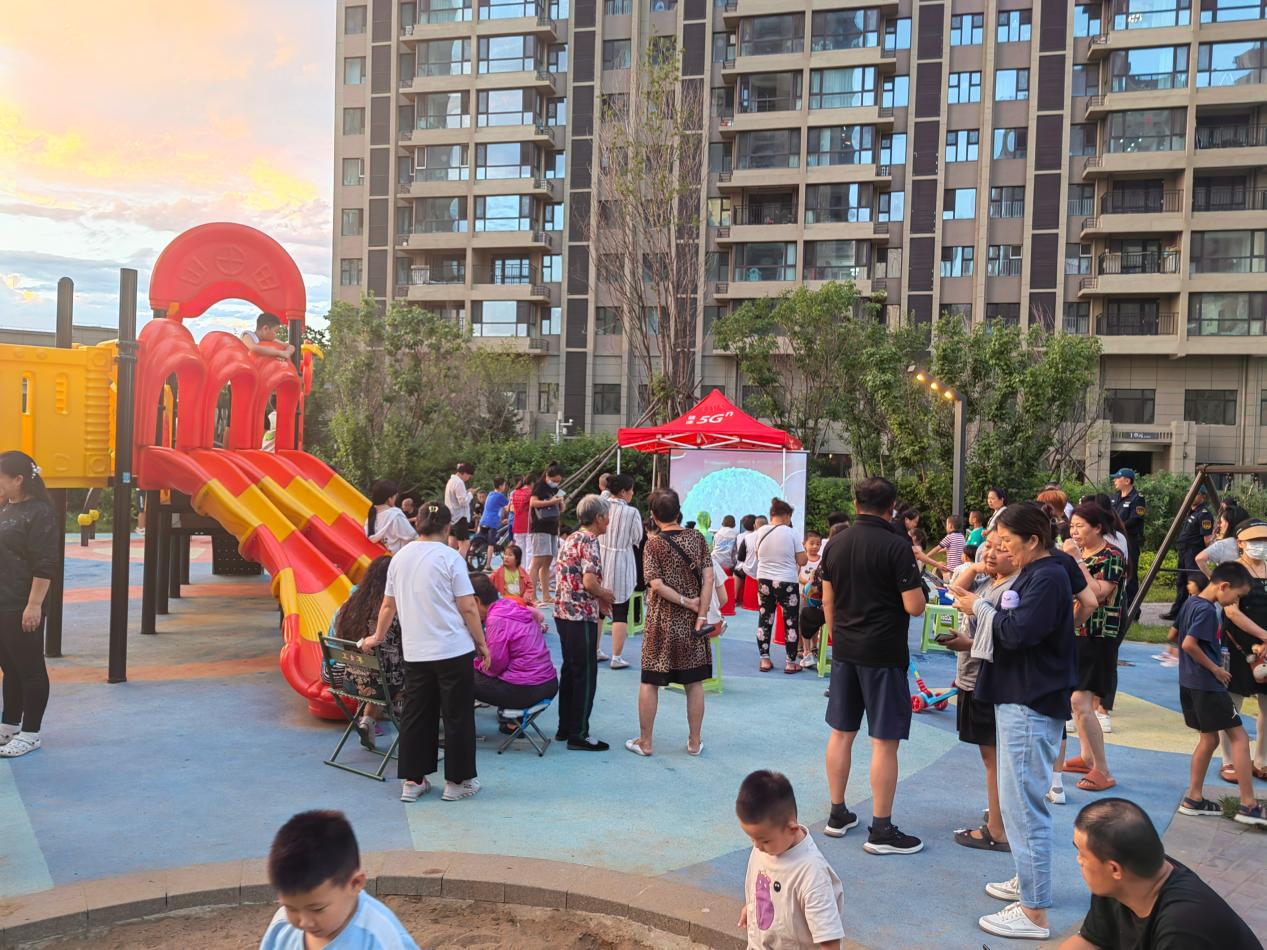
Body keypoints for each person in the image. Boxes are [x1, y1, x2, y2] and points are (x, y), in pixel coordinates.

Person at [950, 503, 1085, 941]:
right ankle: (1029, 883)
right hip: (1020, 697)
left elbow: (1017, 633)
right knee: (1018, 803)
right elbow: (1015, 630)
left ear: (1033, 540)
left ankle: (1034, 911)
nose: (1001, 549)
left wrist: (978, 606)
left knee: (1024, 806)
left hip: (1030, 701)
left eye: (1007, 542)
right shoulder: (1037, 574)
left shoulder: (1047, 577)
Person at [820, 477, 926, 854]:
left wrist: (839, 638)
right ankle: (881, 829)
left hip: (845, 650)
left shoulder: (835, 543)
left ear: (856, 503)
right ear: (891, 506)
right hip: (883, 653)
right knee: (884, 741)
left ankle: (837, 814)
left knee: (841, 732)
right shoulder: (897, 547)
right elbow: (915, 606)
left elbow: (828, 600)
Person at [363, 501, 490, 803]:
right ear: (447, 528)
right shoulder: (451, 557)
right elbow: (468, 606)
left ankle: (413, 780)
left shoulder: (399, 558)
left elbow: (388, 605)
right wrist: (482, 643)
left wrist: (377, 637)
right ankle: (457, 782)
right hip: (452, 649)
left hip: (416, 651)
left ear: (418, 524)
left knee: (416, 715)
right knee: (457, 716)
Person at [1061, 798, 1264, 950]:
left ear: (1114, 869)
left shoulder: (1182, 927)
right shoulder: (1125, 878)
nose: (1079, 860)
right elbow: (1089, 941)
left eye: (1082, 853)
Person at [1171, 562, 1267, 825]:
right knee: (1240, 738)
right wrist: (1215, 669)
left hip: (1190, 683)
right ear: (1224, 586)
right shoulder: (1206, 610)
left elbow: (1177, 635)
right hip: (1207, 685)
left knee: (1209, 739)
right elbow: (1189, 644)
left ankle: (1194, 798)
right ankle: (1248, 805)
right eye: (1235, 596)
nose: (1234, 602)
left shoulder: (1191, 603)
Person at [943, 530, 1018, 853]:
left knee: (993, 758)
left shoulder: (1011, 588)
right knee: (992, 757)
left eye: (1001, 549)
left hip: (984, 679)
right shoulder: (988, 581)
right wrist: (976, 566)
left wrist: (967, 645)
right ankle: (1000, 812)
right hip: (971, 676)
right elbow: (955, 588)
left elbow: (1005, 638)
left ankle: (997, 830)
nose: (990, 554)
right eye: (988, 547)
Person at [626, 488, 714, 758]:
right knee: (694, 682)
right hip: (692, 623)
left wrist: (686, 602)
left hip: (660, 622)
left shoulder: (653, 544)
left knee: (650, 681)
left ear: (653, 515)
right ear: (679, 511)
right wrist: (700, 612)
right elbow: (709, 578)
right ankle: (694, 742)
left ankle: (646, 742)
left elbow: (656, 584)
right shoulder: (697, 538)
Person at [260, 809, 418, 950]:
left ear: (355, 884)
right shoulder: (281, 928)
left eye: (317, 909)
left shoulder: (382, 939)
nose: (304, 922)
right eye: (291, 908)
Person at [735, 770, 845, 950]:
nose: (756, 846)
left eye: (764, 840)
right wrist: (753, 908)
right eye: (751, 838)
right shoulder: (767, 845)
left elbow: (829, 941)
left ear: (792, 829)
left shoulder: (812, 874)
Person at [1058, 503, 1126, 794]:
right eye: (1072, 526)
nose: (1074, 532)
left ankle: (1103, 769)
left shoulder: (1112, 556)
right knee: (1076, 701)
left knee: (1081, 702)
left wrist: (1076, 561)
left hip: (1098, 633)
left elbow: (1098, 593)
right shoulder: (1079, 554)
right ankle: (1087, 757)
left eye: (1080, 526)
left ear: (1098, 527)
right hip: (1076, 629)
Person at [0, 451, 58, 758]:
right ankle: (9, 725)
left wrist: (34, 604)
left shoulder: (40, 513)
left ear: (19, 479)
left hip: (22, 601)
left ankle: (31, 733)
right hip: (2, 599)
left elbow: (45, 563)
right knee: (10, 667)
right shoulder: (6, 507)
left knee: (30, 668)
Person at [553, 494, 614, 750]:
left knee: (570, 669)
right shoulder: (589, 541)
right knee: (586, 674)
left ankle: (565, 727)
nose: (608, 521)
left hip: (562, 612)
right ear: (598, 517)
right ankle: (579, 733)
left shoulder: (571, 538)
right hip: (580, 614)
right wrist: (605, 594)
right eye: (606, 516)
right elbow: (589, 582)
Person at [1211, 519, 1267, 783]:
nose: (1261, 545)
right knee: (1232, 703)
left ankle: (1262, 759)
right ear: (1240, 543)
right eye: (1254, 540)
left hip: (1265, 647)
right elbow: (1231, 612)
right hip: (1236, 645)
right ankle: (1229, 760)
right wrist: (1264, 635)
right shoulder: (1232, 571)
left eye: (1264, 540)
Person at [467, 573, 558, 734]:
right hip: (548, 684)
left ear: (476, 601)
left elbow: (494, 665)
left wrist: (476, 664)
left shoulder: (496, 619)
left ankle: (458, 730)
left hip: (526, 689)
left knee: (458, 676)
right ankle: (510, 722)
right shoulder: (509, 605)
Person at [335, 556, 405, 751]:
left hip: (351, 681)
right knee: (423, 676)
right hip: (385, 684)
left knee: (378, 670)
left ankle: (367, 721)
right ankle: (417, 738)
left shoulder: (352, 605)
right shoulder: (392, 611)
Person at [753, 498, 808, 674]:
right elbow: (802, 560)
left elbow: (758, 555)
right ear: (787, 516)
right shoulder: (792, 533)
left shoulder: (760, 531)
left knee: (765, 619)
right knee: (790, 621)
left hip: (764, 581)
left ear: (772, 515)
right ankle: (790, 663)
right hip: (787, 582)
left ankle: (764, 660)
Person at [598, 473, 643, 670]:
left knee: (599, 609)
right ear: (624, 492)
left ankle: (595, 649)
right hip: (622, 562)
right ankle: (616, 657)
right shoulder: (631, 512)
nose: (632, 493)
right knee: (620, 610)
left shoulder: (601, 505)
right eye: (631, 490)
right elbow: (637, 537)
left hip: (600, 557)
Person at [1161, 488, 1215, 622]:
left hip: (1194, 552)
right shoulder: (1190, 511)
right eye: (1188, 492)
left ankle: (1196, 613)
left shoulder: (1204, 514)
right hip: (1184, 551)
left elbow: (1207, 539)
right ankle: (1177, 612)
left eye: (1194, 493)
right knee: (1182, 582)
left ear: (1202, 496)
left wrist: (1207, 556)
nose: (1189, 495)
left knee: (1194, 583)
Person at [1109, 467, 1146, 621]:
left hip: (1129, 540)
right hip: (1114, 539)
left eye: (1117, 478)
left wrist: (1118, 527)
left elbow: (1136, 519)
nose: (1114, 481)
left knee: (1130, 576)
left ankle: (1133, 612)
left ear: (1127, 480)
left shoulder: (1137, 498)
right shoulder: (1115, 497)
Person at [528, 463, 566, 608]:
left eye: (558, 481)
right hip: (540, 527)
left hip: (552, 527)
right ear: (548, 476)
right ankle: (531, 596)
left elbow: (562, 509)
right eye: (554, 480)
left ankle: (546, 595)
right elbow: (533, 503)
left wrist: (560, 502)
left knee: (547, 562)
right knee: (537, 561)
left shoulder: (555, 489)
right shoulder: (540, 486)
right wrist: (551, 501)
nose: (556, 483)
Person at [365, 480, 416, 555]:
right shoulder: (395, 515)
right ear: (389, 499)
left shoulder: (371, 516)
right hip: (402, 556)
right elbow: (412, 537)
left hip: (383, 557)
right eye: (395, 496)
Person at [796, 531, 824, 669]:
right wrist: (808, 581)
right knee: (801, 621)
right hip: (803, 595)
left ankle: (814, 647)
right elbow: (797, 575)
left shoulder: (822, 560)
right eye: (811, 543)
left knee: (815, 623)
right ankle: (800, 647)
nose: (814, 546)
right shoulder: (802, 559)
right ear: (804, 544)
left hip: (817, 598)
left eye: (818, 544)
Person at [444, 462, 475, 559]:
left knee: (452, 544)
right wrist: (470, 494)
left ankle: (449, 563)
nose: (468, 478)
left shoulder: (451, 481)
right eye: (469, 476)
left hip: (451, 516)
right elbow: (463, 502)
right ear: (464, 473)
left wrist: (466, 492)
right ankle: (459, 564)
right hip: (460, 517)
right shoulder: (459, 482)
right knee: (465, 543)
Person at [478, 476, 510, 548]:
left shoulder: (490, 494)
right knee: (491, 544)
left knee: (479, 539)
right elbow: (508, 507)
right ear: (500, 486)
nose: (505, 486)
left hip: (483, 520)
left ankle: (472, 550)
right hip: (492, 522)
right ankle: (489, 556)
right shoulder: (500, 496)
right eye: (504, 485)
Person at [732, 514, 758, 599]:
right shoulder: (760, 535)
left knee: (737, 571)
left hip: (746, 568)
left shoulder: (740, 536)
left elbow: (740, 557)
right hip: (759, 568)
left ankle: (735, 596)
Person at [509, 474, 533, 545]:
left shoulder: (514, 493)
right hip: (528, 524)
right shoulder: (530, 492)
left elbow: (511, 508)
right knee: (529, 548)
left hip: (516, 524)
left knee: (519, 548)